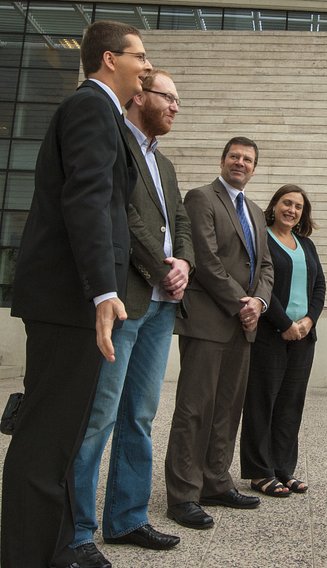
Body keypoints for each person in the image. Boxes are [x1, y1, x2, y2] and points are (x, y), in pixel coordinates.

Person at [2, 21, 151, 568]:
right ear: (110, 59)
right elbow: (87, 202)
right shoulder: (91, 107)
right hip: (69, 302)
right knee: (46, 436)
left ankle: (60, 546)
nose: (147, 65)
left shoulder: (103, 113)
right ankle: (26, 555)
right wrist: (103, 292)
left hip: (73, 301)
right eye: (140, 56)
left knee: (62, 435)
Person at [69, 69, 194, 567]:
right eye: (170, 96)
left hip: (163, 307)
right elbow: (122, 213)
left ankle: (126, 518)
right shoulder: (115, 142)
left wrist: (183, 262)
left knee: (140, 415)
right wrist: (161, 266)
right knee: (98, 418)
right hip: (125, 300)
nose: (176, 107)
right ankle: (77, 530)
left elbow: (179, 219)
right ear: (141, 96)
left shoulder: (164, 164)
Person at [164, 136, 274, 530]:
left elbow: (265, 266)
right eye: (234, 157)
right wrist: (241, 302)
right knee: (195, 409)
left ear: (254, 167)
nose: (240, 163)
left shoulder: (258, 213)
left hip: (242, 326)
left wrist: (258, 303)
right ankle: (183, 494)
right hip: (209, 320)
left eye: (247, 159)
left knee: (228, 409)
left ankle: (215, 480)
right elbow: (206, 260)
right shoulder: (201, 198)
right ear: (223, 160)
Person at [240, 184, 326, 497]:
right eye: (286, 203)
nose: (292, 210)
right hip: (271, 334)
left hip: (304, 337)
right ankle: (259, 471)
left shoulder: (307, 244)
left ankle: (283, 469)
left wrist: (308, 321)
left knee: (291, 404)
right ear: (275, 205)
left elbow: (319, 288)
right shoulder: (261, 238)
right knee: (262, 401)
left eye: (298, 207)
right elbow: (261, 286)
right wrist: (285, 323)